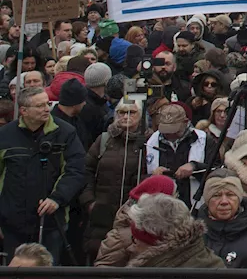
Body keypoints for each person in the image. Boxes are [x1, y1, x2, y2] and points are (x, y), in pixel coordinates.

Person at [0, 86, 86, 263]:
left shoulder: (65, 133)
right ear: (24, 111)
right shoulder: (5, 136)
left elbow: (75, 170)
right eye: (39, 106)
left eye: (47, 103)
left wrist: (57, 198)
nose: (47, 109)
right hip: (12, 223)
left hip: (51, 222)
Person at [80, 97, 146, 262]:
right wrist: (89, 201)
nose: (126, 116)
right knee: (98, 255)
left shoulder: (147, 142)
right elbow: (86, 170)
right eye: (122, 112)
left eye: (132, 112)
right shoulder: (103, 140)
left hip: (133, 214)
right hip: (101, 212)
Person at [94, 174, 177, 266]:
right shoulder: (122, 236)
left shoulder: (175, 229)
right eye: (173, 196)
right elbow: (103, 269)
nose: (176, 201)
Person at [124, 193, 225, 268]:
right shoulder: (210, 263)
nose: (131, 248)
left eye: (135, 240)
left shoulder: (161, 271)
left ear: (154, 241)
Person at [197, 168, 247, 268]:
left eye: (230, 195)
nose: (224, 201)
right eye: (216, 195)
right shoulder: (194, 233)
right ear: (207, 200)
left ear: (239, 199)